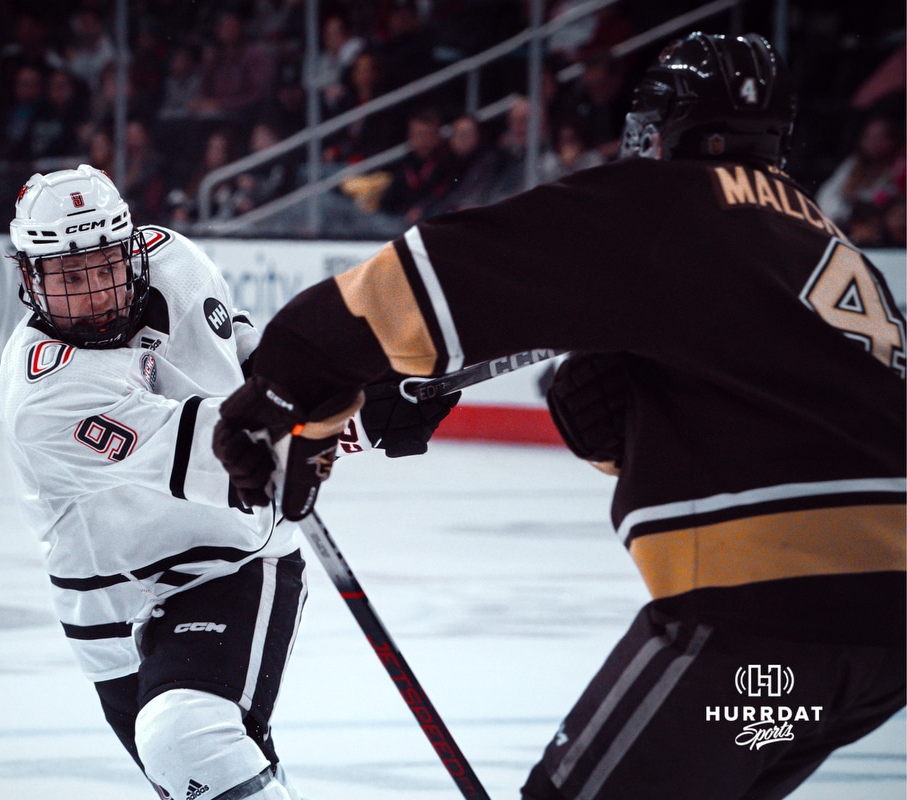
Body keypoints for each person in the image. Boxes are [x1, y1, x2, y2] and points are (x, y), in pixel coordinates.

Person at [213, 32, 906, 800]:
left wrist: (290, 374)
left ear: (663, 127)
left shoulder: (670, 202)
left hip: (769, 620)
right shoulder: (813, 234)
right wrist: (633, 433)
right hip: (877, 649)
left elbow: (450, 270)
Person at [0, 164, 454, 799]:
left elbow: (254, 372)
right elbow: (232, 455)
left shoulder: (175, 264)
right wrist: (361, 417)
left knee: (184, 736)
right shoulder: (46, 398)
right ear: (31, 278)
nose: (96, 292)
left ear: (130, 249)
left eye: (105, 267)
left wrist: (363, 381)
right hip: (109, 615)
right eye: (71, 277)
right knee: (200, 774)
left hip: (233, 560)